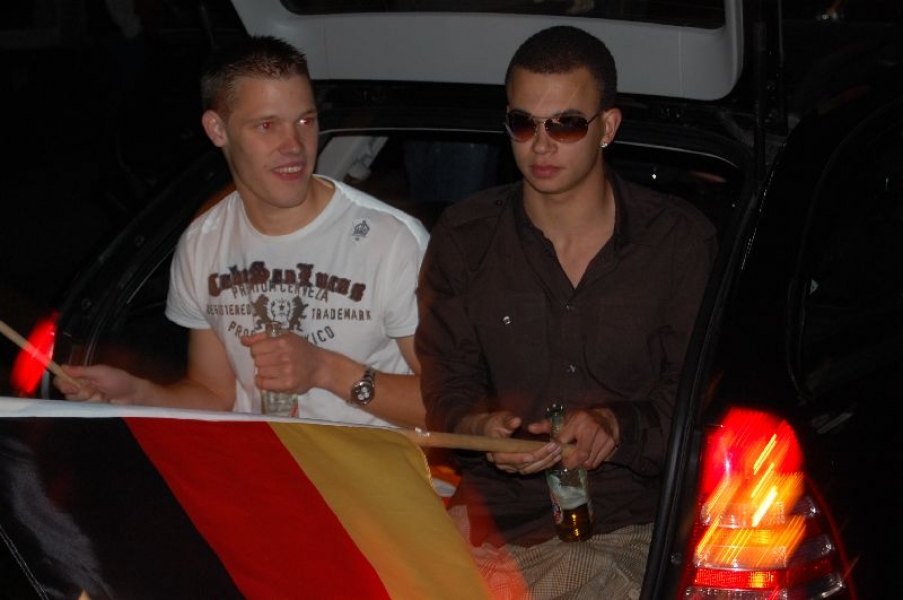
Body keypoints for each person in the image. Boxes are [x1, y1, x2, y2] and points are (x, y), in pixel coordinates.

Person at [415, 25, 717, 597]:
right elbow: (448, 386)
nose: (541, 145)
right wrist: (479, 428)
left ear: (608, 127)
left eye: (566, 124)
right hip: (497, 527)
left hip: (633, 524)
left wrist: (616, 426)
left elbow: (698, 396)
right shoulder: (466, 237)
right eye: (523, 123)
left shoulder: (677, 241)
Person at [56, 35, 429, 430]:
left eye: (305, 120)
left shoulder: (391, 241)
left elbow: (448, 407)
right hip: (263, 462)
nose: (294, 146)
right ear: (217, 129)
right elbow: (215, 394)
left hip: (371, 467)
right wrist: (139, 395)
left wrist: (326, 370)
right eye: (267, 126)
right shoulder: (204, 242)